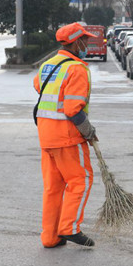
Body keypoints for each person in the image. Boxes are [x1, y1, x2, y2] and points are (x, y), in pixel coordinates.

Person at [33, 22, 97, 248]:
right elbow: (72, 109)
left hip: (46, 136)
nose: (87, 44)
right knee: (81, 180)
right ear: (76, 42)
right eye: (85, 40)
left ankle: (51, 237)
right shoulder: (77, 69)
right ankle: (70, 228)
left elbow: (38, 87)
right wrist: (88, 131)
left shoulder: (47, 65)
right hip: (68, 138)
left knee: (53, 188)